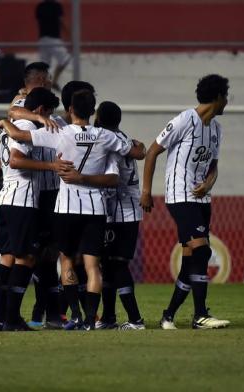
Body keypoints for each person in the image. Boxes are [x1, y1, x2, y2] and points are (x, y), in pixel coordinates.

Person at [0, 89, 146, 330]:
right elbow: (137, 152)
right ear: (92, 111)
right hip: (96, 208)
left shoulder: (60, 133)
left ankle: (75, 315)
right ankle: (90, 319)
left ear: (70, 110)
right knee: (92, 265)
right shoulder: (104, 136)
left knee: (66, 260)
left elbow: (18, 135)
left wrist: (4, 121)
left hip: (66, 206)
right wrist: (136, 145)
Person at [140, 74, 231, 330]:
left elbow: (214, 167)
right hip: (179, 196)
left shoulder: (216, 129)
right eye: (226, 97)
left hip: (202, 198)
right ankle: (200, 315)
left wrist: (209, 183)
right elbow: (152, 151)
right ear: (217, 98)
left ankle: (168, 315)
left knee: (193, 257)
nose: (227, 103)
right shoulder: (184, 120)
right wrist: (146, 191)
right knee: (202, 250)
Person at [0, 87, 67, 331]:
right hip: (21, 200)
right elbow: (16, 160)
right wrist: (51, 165)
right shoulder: (27, 128)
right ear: (41, 110)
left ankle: (2, 320)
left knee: (8, 261)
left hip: (4, 198)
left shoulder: (9, 128)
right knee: (26, 259)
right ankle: (12, 319)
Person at [93, 101, 145, 330]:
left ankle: (135, 319)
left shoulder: (108, 142)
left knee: (117, 264)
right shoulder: (124, 138)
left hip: (119, 211)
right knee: (108, 264)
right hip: (127, 210)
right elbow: (139, 150)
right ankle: (109, 318)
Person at [35, 0, 70, 92]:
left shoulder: (40, 6)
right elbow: (61, 21)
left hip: (43, 38)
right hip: (53, 38)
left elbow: (39, 22)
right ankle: (54, 81)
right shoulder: (56, 6)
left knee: (45, 64)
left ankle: (43, 85)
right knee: (65, 59)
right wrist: (69, 33)